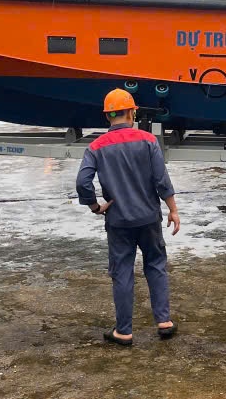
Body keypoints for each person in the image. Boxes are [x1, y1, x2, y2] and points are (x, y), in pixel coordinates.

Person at [76, 88, 180, 347]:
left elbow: (82, 182)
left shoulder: (95, 147)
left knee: (122, 272)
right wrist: (173, 209)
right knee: (155, 265)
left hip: (118, 221)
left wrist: (94, 206)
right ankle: (164, 321)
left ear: (107, 117)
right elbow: (161, 180)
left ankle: (123, 331)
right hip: (149, 218)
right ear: (132, 112)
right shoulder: (148, 140)